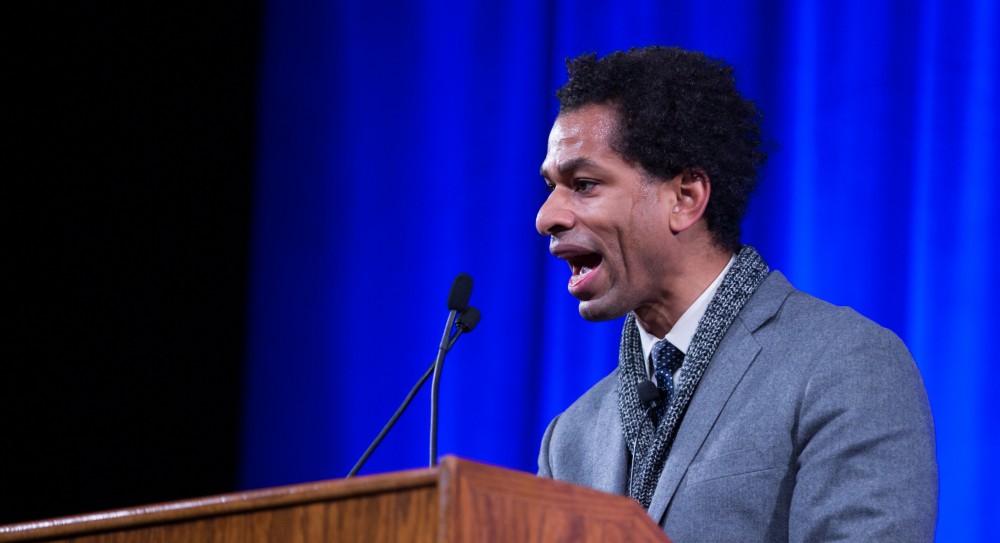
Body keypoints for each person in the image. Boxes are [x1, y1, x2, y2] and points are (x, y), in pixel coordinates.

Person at [535, 46, 937, 542]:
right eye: (552, 186)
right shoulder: (569, 438)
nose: (547, 216)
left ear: (685, 198)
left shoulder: (846, 365)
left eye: (584, 183)